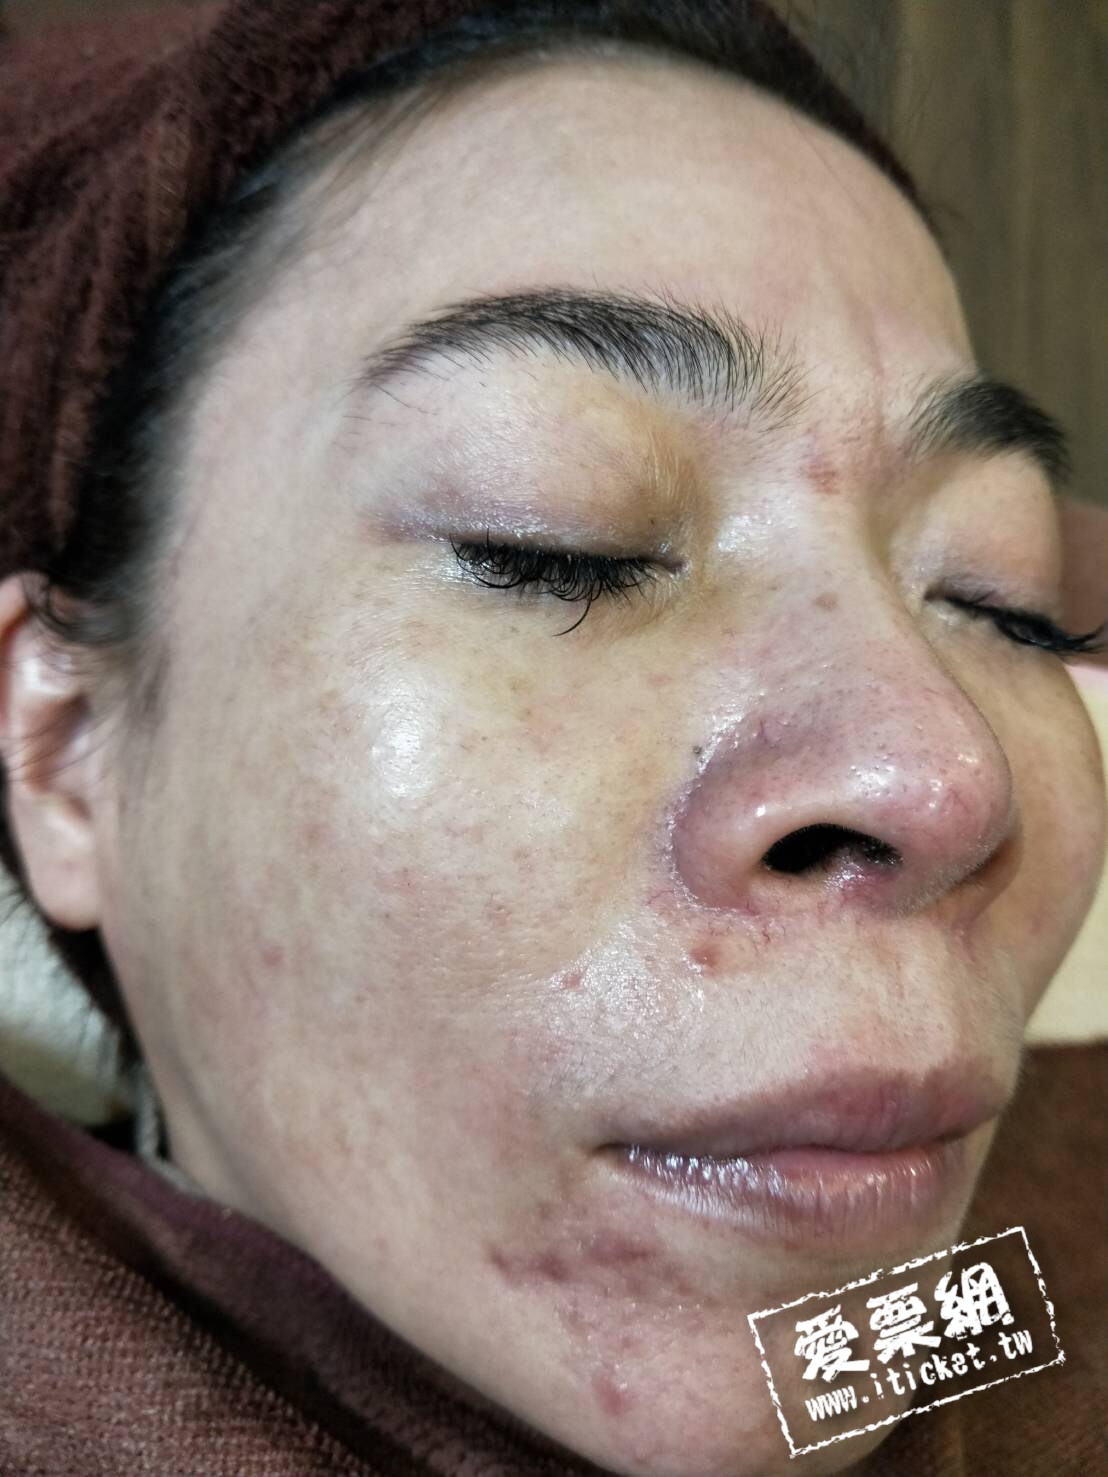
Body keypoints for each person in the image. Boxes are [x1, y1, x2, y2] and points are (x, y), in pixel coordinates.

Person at [0, 2, 1104, 1473]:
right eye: (558, 544)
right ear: (65, 752)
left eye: (998, 597)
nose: (947, 776)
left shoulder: (1040, 1268)